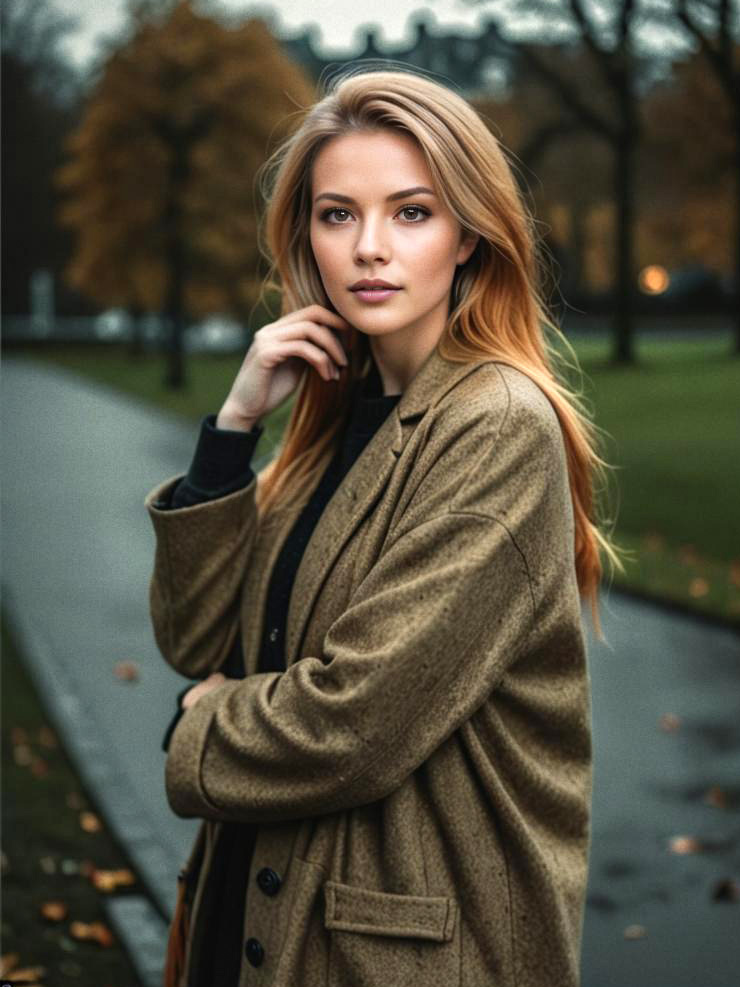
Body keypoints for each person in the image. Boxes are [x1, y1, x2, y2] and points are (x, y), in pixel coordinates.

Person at [145, 65, 623, 987]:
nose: (369, 247)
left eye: (411, 212)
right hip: (248, 918)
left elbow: (354, 724)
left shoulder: (497, 423)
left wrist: (195, 727)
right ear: (307, 238)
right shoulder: (336, 418)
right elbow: (197, 637)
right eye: (337, 214)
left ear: (470, 238)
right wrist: (233, 433)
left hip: (403, 954)